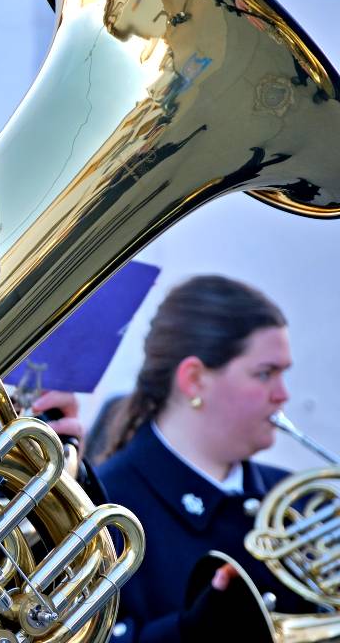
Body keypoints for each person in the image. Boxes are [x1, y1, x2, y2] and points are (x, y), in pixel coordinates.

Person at [97, 274, 314, 642]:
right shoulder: (103, 511)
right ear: (195, 379)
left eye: (283, 374)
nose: (282, 395)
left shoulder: (301, 500)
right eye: (265, 374)